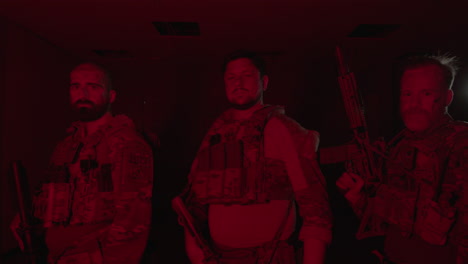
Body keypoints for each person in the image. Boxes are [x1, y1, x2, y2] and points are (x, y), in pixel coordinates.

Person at [176, 50, 332, 264]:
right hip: (218, 257)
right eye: (231, 78)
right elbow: (194, 200)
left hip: (269, 257)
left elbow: (316, 207)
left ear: (264, 82)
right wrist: (194, 252)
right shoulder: (216, 133)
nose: (238, 82)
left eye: (246, 75)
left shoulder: (282, 128)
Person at [11, 63, 153, 264]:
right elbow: (50, 195)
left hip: (95, 256)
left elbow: (133, 222)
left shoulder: (126, 144)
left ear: (111, 96)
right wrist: (27, 216)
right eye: (75, 86)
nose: (82, 93)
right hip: (58, 255)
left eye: (93, 87)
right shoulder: (66, 146)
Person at [336, 54, 468, 264]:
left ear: (447, 98)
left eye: (426, 93)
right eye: (407, 94)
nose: (414, 104)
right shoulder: (399, 146)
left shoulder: (461, 144)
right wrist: (360, 198)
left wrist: (381, 198)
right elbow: (383, 224)